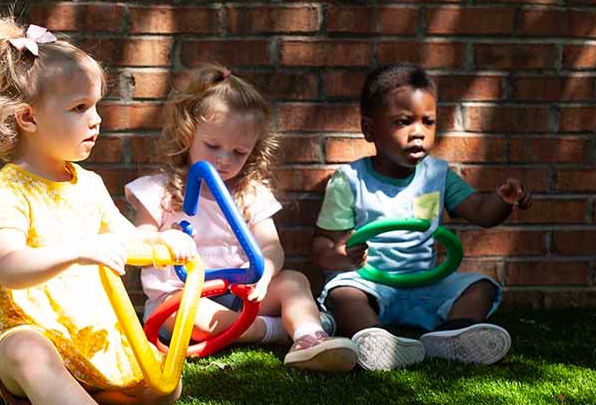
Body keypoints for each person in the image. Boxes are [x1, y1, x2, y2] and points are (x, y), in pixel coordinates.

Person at [0, 11, 196, 405]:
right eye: (79, 108)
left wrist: (160, 242)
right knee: (29, 353)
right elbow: (9, 268)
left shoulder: (87, 184)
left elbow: (124, 240)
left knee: (163, 391)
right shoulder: (10, 190)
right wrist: (76, 250)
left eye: (96, 106)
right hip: (23, 330)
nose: (96, 121)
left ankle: (72, 397)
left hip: (83, 333)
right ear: (28, 118)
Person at [125, 64, 358, 372]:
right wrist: (163, 242)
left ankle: (309, 337)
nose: (224, 160)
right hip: (180, 300)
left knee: (293, 282)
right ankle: (274, 330)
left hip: (240, 293)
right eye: (212, 146)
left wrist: (266, 272)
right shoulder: (159, 191)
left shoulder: (250, 193)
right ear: (188, 133)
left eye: (239, 152)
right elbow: (136, 244)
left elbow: (271, 246)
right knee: (191, 315)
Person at [312, 63, 532, 371]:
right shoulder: (349, 180)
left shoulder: (438, 175)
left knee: (480, 285)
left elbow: (482, 213)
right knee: (343, 292)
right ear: (369, 129)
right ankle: (374, 338)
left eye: (428, 122)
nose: (418, 133)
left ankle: (454, 335)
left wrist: (503, 201)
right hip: (369, 285)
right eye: (404, 122)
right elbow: (322, 246)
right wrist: (342, 256)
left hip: (425, 284)